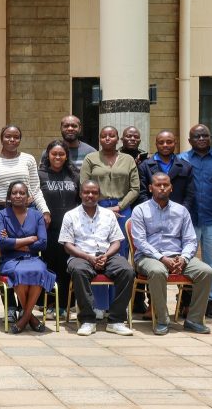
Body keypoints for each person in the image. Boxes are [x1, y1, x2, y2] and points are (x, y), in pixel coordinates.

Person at [131, 172, 212, 335]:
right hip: (149, 257)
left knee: (206, 272)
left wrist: (183, 258)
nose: (162, 188)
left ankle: (194, 320)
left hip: (178, 256)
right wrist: (162, 258)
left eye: (166, 185)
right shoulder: (140, 210)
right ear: (150, 188)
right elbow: (140, 242)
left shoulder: (181, 211)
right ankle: (162, 320)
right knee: (157, 271)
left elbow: (190, 240)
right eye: (158, 185)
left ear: (171, 188)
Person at [59, 180, 135, 337]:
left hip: (107, 255)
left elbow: (116, 242)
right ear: (80, 194)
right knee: (79, 271)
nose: (90, 195)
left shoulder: (108, 215)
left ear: (99, 195)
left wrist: (106, 256)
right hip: (81, 255)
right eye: (86, 192)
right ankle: (87, 320)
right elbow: (67, 245)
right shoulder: (70, 215)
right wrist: (88, 257)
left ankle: (116, 321)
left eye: (94, 193)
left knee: (127, 271)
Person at [180, 124, 212, 318]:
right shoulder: (181, 159)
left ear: (210, 138)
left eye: (205, 136)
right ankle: (186, 302)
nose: (201, 139)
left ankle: (211, 302)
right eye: (196, 136)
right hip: (188, 220)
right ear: (189, 140)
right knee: (185, 261)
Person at [0, 181, 57, 334]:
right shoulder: (1, 215)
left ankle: (24, 318)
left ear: (28, 197)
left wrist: (14, 242)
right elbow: (2, 242)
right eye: (14, 193)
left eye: (22, 193)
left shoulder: (37, 215)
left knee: (38, 271)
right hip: (10, 260)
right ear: (9, 196)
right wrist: (30, 239)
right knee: (19, 274)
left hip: (33, 258)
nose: (18, 196)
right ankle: (31, 318)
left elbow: (43, 243)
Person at [0, 125, 49, 244]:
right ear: (1, 139)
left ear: (20, 140)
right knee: (3, 251)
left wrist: (45, 211)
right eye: (8, 136)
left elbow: (36, 189)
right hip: (0, 212)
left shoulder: (29, 159)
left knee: (29, 248)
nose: (12, 139)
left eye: (16, 137)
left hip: (26, 211)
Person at [80, 126, 140, 254]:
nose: (107, 138)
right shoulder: (90, 158)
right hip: (96, 206)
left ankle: (121, 272)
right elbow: (84, 186)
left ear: (118, 139)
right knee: (98, 243)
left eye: (111, 135)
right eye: (103, 136)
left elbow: (135, 188)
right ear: (99, 139)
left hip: (123, 207)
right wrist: (102, 210)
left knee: (122, 244)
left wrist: (119, 207)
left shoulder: (128, 159)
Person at [38, 140, 79, 318]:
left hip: (70, 230)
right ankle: (47, 304)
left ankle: (64, 306)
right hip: (48, 229)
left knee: (65, 268)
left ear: (66, 156)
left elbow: (80, 200)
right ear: (48, 155)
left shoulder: (74, 174)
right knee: (49, 266)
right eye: (54, 153)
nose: (57, 157)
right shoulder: (40, 175)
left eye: (61, 154)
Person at [137, 130, 197, 219]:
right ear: (156, 144)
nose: (165, 145)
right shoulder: (144, 166)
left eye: (169, 142)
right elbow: (142, 193)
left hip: (178, 214)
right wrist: (151, 211)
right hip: (152, 215)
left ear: (175, 143)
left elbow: (190, 194)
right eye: (161, 142)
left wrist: (183, 211)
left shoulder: (186, 166)